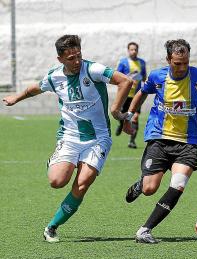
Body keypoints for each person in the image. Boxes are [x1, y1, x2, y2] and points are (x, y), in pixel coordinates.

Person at [2, 35, 133, 243]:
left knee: (82, 184)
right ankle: (57, 160)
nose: (77, 61)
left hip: (98, 139)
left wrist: (116, 110)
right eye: (71, 58)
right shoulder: (55, 77)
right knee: (57, 181)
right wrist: (15, 98)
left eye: (79, 55)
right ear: (60, 59)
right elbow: (34, 88)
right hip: (70, 137)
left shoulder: (93, 70)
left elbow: (125, 81)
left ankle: (52, 227)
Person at [122, 39, 197, 244]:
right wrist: (130, 116)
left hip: (187, 142)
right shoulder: (157, 76)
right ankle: (141, 185)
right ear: (168, 59)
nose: (181, 68)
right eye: (177, 63)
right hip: (159, 138)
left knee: (178, 185)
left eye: (185, 63)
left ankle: (145, 230)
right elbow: (141, 94)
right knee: (149, 188)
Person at [115, 42, 147, 148]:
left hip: (136, 95)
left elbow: (144, 77)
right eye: (131, 49)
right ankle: (121, 124)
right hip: (125, 94)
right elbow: (117, 77)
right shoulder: (123, 62)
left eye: (135, 49)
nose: (133, 51)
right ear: (128, 50)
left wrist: (140, 78)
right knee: (121, 114)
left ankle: (132, 141)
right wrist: (129, 77)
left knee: (135, 117)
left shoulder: (142, 63)